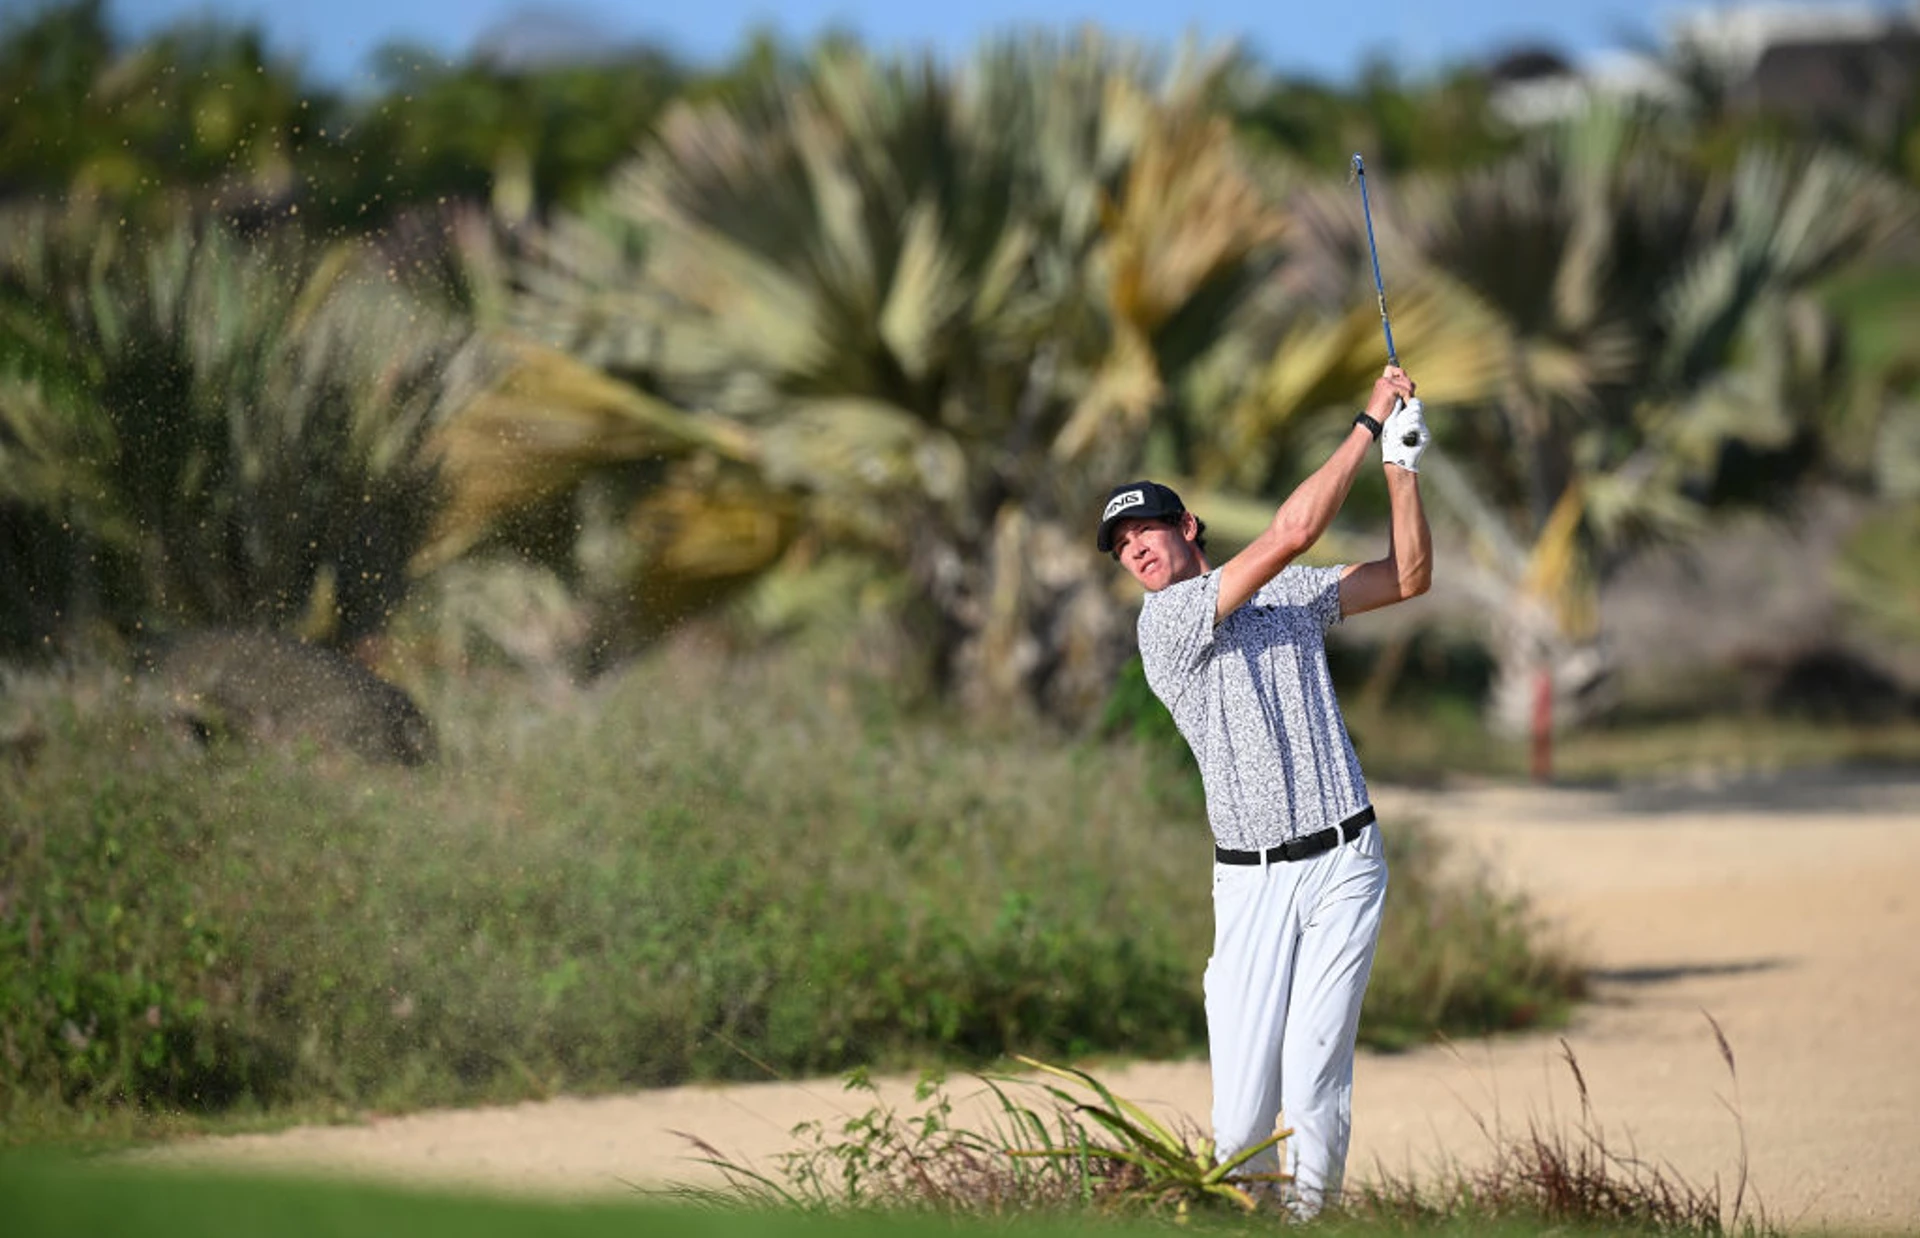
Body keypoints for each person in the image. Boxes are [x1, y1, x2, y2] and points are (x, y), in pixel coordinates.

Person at [1095, 365, 1432, 1217]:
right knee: (1243, 1109)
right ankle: (1243, 1219)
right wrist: (1367, 420)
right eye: (1122, 543)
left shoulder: (1288, 598)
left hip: (1345, 858)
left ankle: (1313, 1223)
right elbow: (1291, 528)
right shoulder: (1165, 623)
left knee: (1317, 1071)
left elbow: (1408, 576)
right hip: (1249, 883)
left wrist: (1402, 463)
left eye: (1147, 529)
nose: (1135, 548)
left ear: (1188, 527)